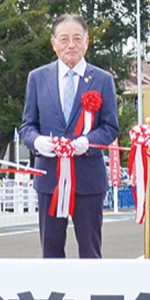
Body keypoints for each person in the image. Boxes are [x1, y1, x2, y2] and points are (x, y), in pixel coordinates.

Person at [20, 14, 119, 258]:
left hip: (88, 179)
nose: (71, 45)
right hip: (50, 177)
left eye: (77, 38)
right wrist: (37, 142)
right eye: (64, 39)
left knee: (90, 249)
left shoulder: (102, 80)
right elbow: (27, 126)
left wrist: (87, 142)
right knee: (51, 249)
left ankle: (91, 293)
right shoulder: (37, 77)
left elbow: (110, 127)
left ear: (87, 42)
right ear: (53, 43)